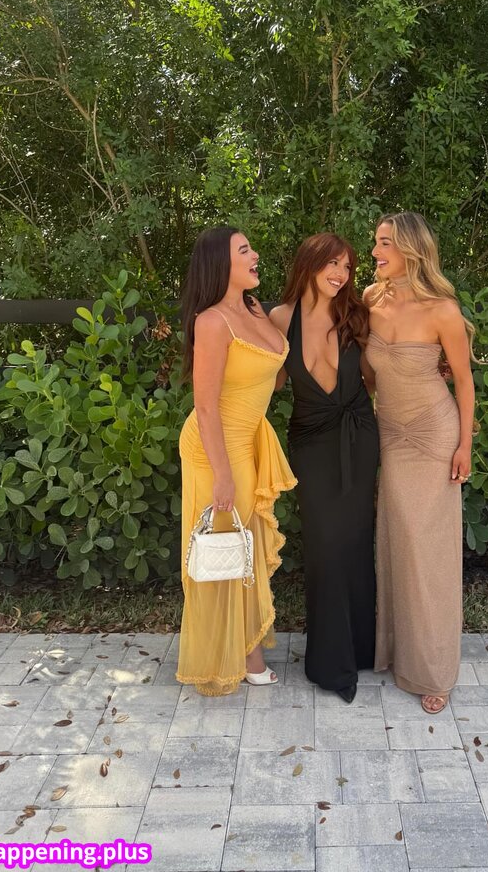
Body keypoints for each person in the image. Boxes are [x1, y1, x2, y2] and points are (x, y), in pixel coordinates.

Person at [176, 226, 296, 696]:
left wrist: (270, 323)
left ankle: (243, 647)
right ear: (220, 264)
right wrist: (222, 475)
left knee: (243, 543)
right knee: (226, 546)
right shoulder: (212, 322)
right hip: (214, 448)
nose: (255, 255)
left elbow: (275, 377)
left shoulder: (252, 310)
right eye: (244, 250)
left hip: (248, 439)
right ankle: (239, 657)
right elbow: (205, 406)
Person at [364, 211, 475, 715]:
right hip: (390, 434)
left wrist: (464, 445)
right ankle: (397, 651)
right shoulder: (370, 299)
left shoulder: (442, 310)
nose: (375, 251)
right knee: (396, 540)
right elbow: (366, 371)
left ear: (411, 248)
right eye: (376, 242)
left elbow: (464, 382)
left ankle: (433, 670)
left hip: (434, 435)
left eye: (384, 242)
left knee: (428, 550)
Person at [269, 234, 379, 703]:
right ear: (309, 263)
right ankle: (330, 663)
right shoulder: (280, 318)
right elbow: (270, 380)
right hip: (310, 443)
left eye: (348, 266)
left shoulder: (356, 314)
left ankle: (360, 649)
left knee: (354, 540)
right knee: (324, 544)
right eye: (333, 263)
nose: (340, 273)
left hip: (359, 435)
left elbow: (375, 376)